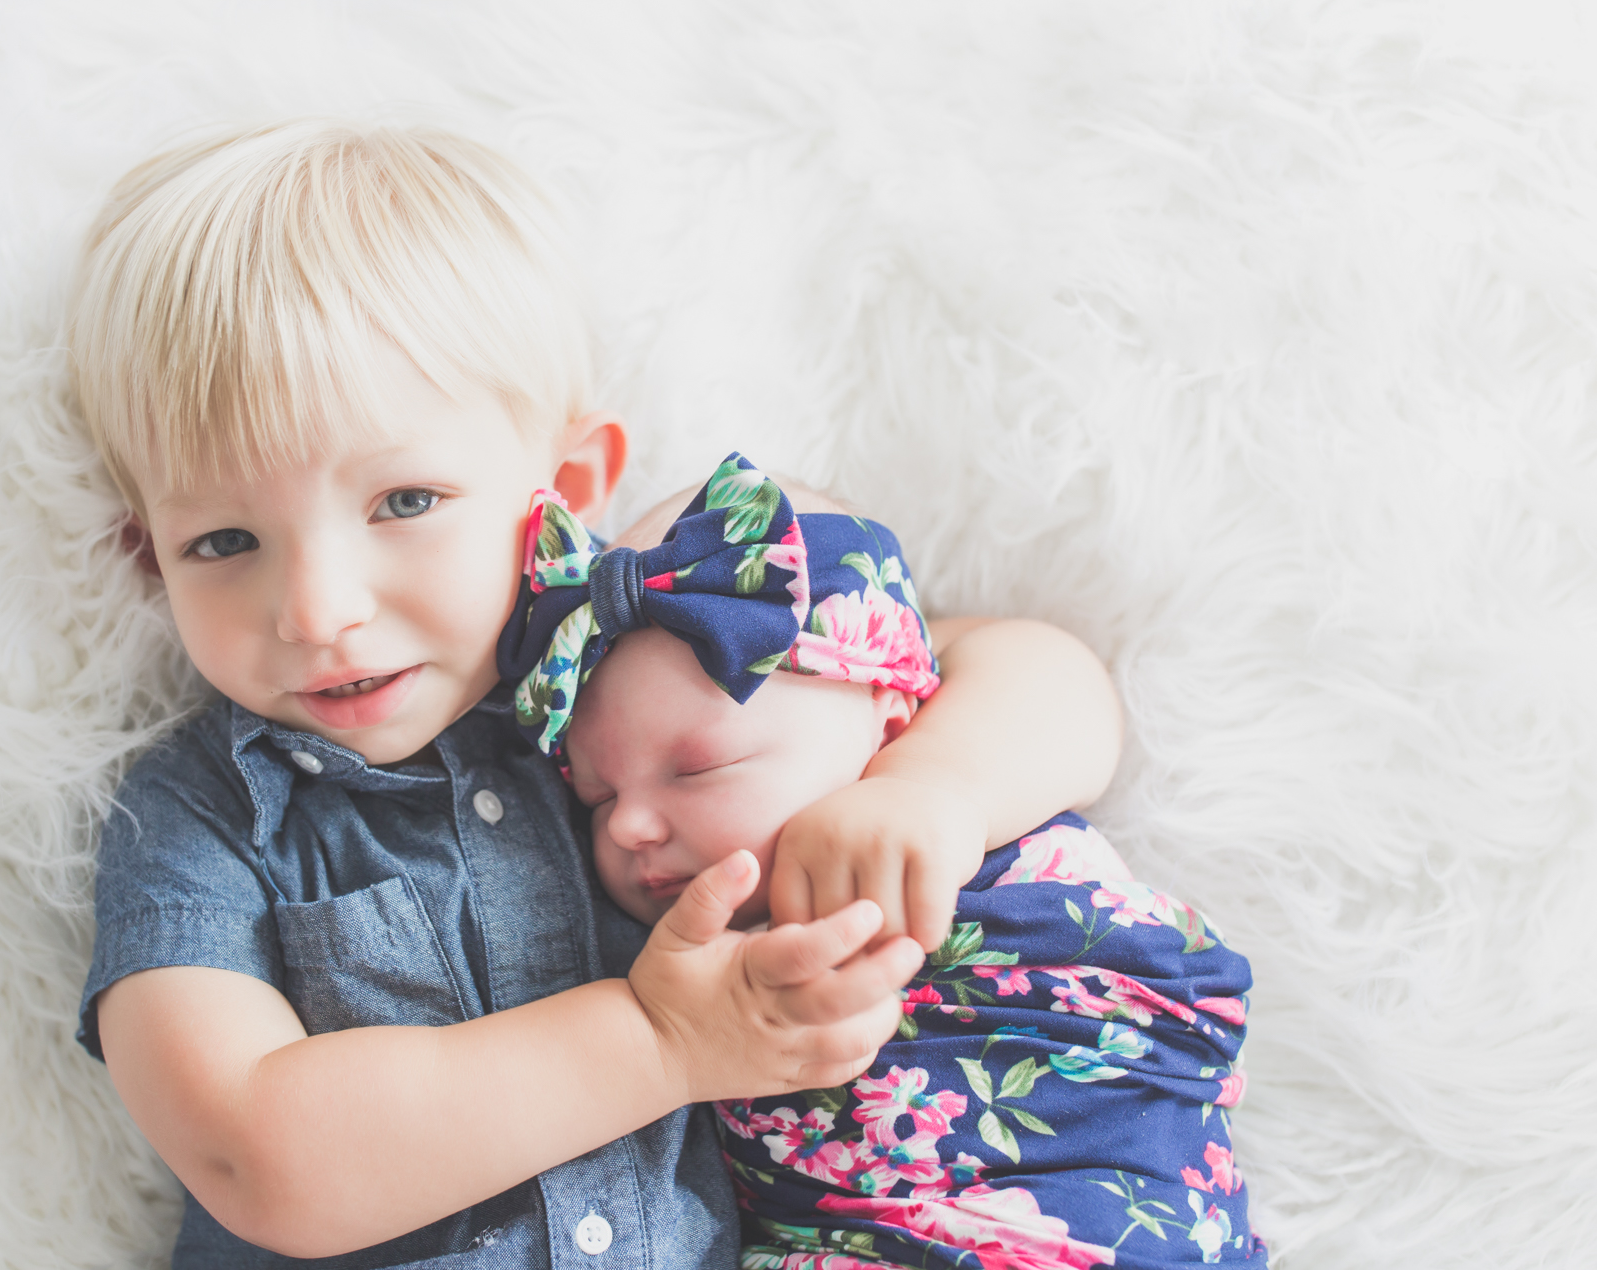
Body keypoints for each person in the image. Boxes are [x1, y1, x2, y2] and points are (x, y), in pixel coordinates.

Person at [66, 119, 1124, 1267]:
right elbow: (247, 1156)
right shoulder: (198, 812)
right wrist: (659, 1042)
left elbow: (1036, 670)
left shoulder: (651, 651)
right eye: (224, 539)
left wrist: (932, 789)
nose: (315, 610)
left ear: (563, 487)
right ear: (147, 559)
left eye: (404, 502)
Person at [500, 456, 1263, 1268]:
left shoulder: (962, 776)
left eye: (699, 769)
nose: (630, 827)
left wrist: (933, 788)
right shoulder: (675, 966)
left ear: (890, 713)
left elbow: (1060, 680)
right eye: (597, 797)